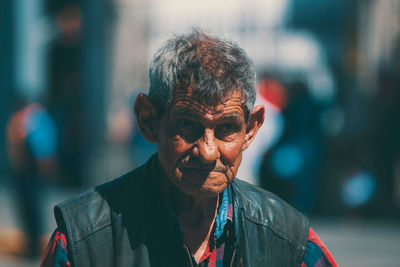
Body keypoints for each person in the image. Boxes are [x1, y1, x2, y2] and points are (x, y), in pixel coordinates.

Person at [41, 30, 337, 267]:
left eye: (226, 128)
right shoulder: (83, 239)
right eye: (187, 125)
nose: (208, 152)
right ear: (148, 120)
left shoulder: (287, 239)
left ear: (250, 130)